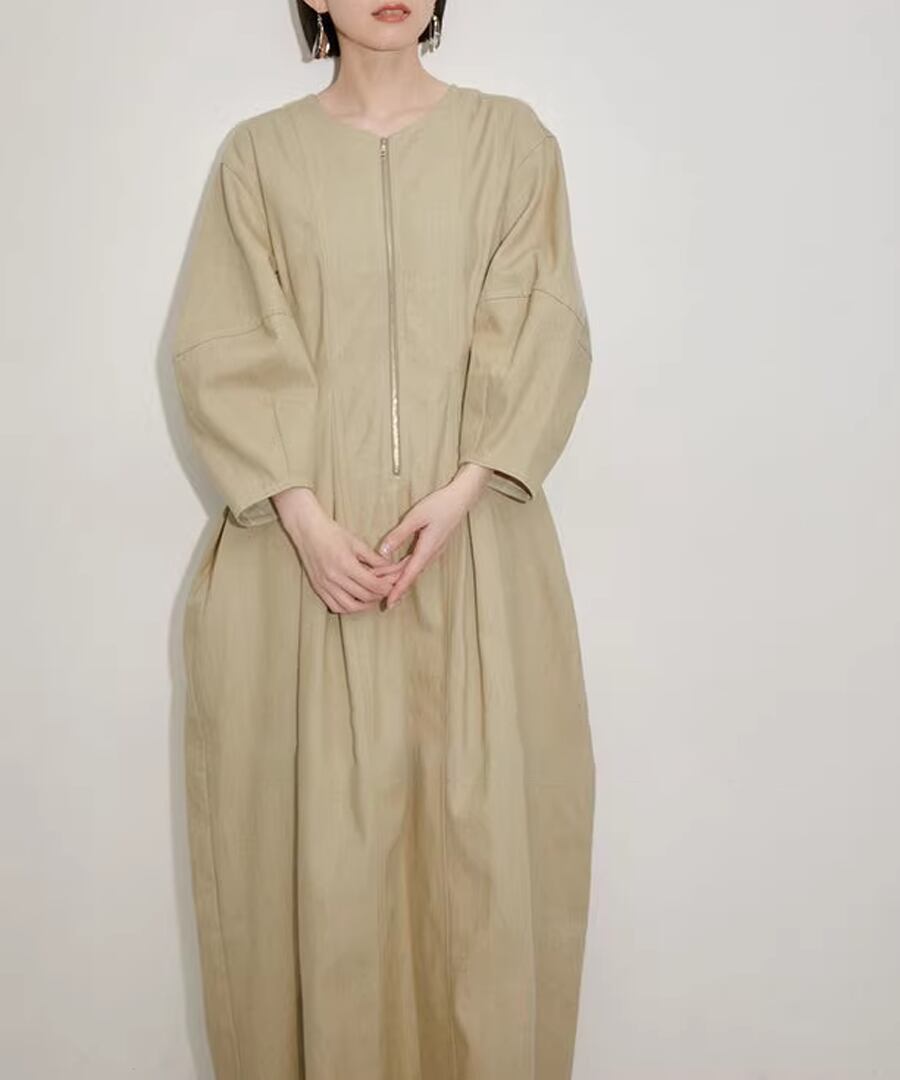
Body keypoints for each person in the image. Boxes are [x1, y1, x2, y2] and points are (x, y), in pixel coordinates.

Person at [172, 1, 596, 1077]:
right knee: (317, 886)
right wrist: (302, 514)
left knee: (484, 879)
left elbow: (543, 324)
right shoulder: (258, 160)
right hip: (303, 567)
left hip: (478, 553)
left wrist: (465, 488)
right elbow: (221, 345)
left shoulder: (513, 145)